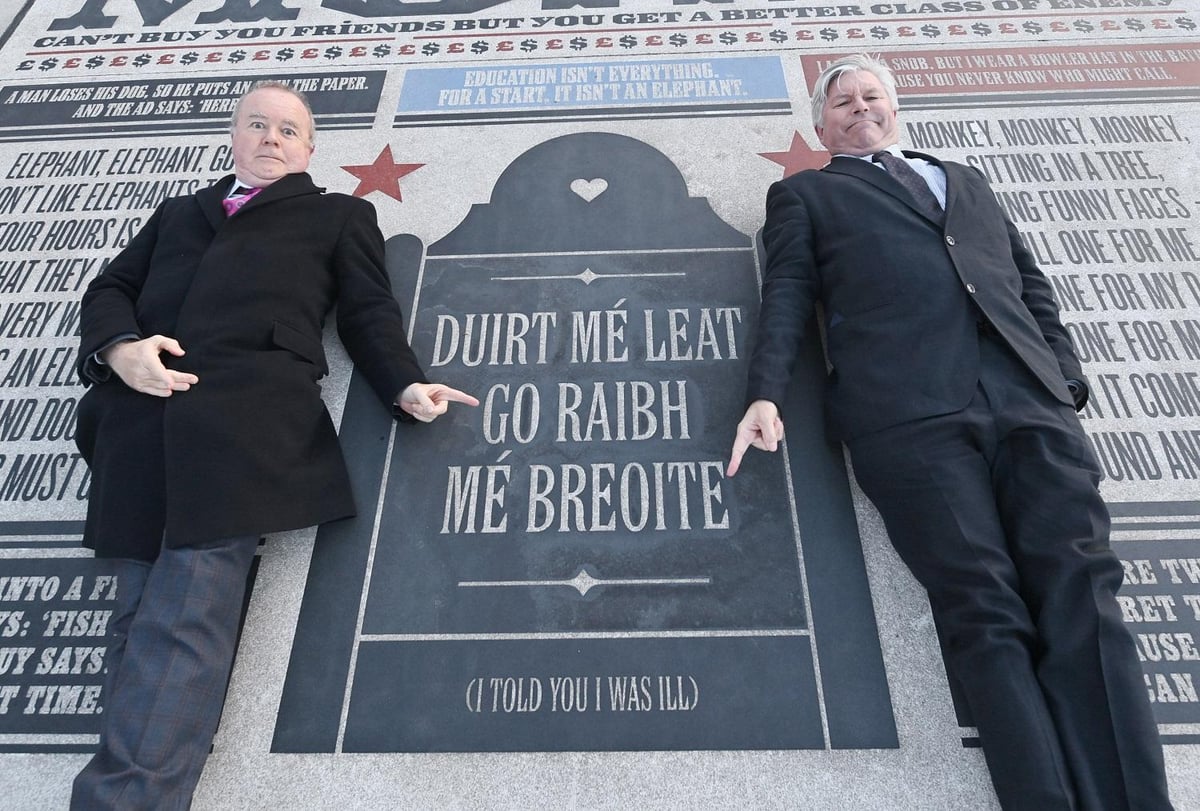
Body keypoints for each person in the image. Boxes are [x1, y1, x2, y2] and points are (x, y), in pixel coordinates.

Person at [727, 55, 1173, 810]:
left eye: (871, 96)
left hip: (1032, 405)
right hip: (908, 420)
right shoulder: (805, 193)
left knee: (1085, 596)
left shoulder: (965, 179)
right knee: (983, 608)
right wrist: (764, 394)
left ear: (894, 107)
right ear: (820, 124)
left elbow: (1030, 284)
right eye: (841, 103)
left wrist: (1061, 378)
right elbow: (790, 295)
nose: (858, 108)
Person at [70, 81, 477, 809]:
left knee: (182, 620)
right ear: (234, 136)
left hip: (241, 430)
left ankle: (122, 799)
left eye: (289, 130)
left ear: (309, 148)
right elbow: (108, 290)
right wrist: (120, 348)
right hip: (136, 434)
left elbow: (368, 312)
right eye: (257, 125)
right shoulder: (176, 214)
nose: (271, 138)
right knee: (137, 625)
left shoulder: (339, 216)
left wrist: (405, 385)